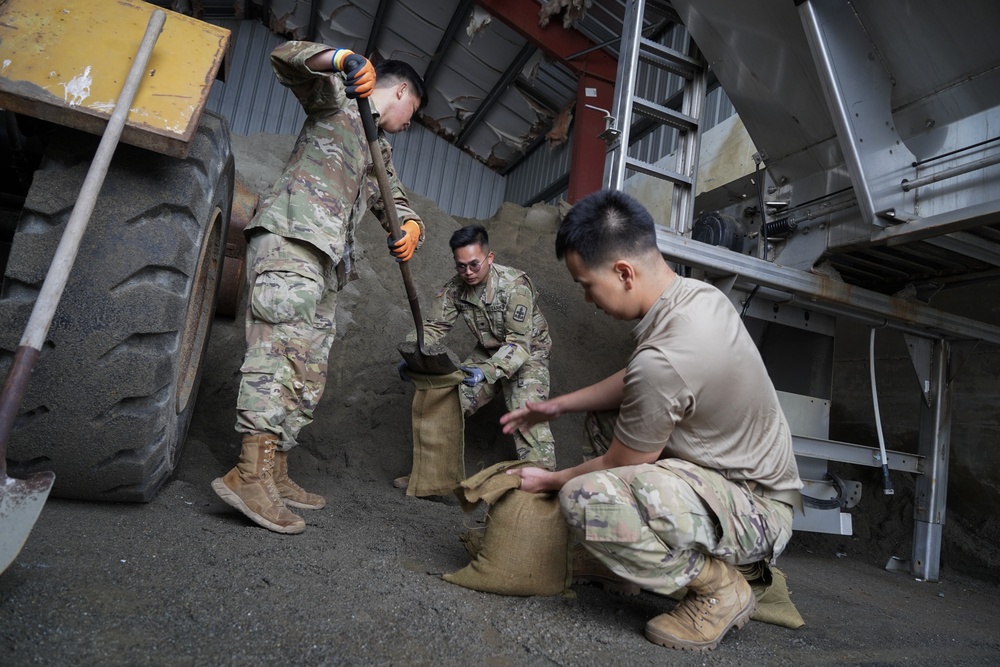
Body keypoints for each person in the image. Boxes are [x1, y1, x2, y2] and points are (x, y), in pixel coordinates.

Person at [501, 189, 802, 652]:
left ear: (623, 272)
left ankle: (720, 587)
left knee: (586, 499)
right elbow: (640, 380)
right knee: (606, 418)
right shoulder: (694, 298)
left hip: (756, 511)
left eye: (586, 284)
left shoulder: (666, 356)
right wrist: (559, 405)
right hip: (732, 478)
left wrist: (550, 480)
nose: (585, 298)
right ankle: (621, 560)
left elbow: (620, 460)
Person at [212, 41, 427, 535]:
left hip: (329, 263)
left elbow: (394, 199)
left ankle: (276, 469)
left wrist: (411, 227)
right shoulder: (339, 99)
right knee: (279, 354)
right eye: (412, 112)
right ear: (399, 92)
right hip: (293, 236)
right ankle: (249, 473)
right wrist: (341, 59)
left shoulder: (380, 150)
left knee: (307, 370)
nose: (409, 124)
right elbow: (285, 58)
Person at [396, 224, 556, 484]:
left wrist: (487, 371)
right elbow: (435, 326)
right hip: (489, 349)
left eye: (474, 264)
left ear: (489, 258)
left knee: (528, 414)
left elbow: (519, 344)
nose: (467, 272)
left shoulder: (515, 286)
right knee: (447, 403)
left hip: (528, 353)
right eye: (461, 266)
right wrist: (412, 353)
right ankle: (430, 479)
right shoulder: (455, 288)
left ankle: (541, 492)